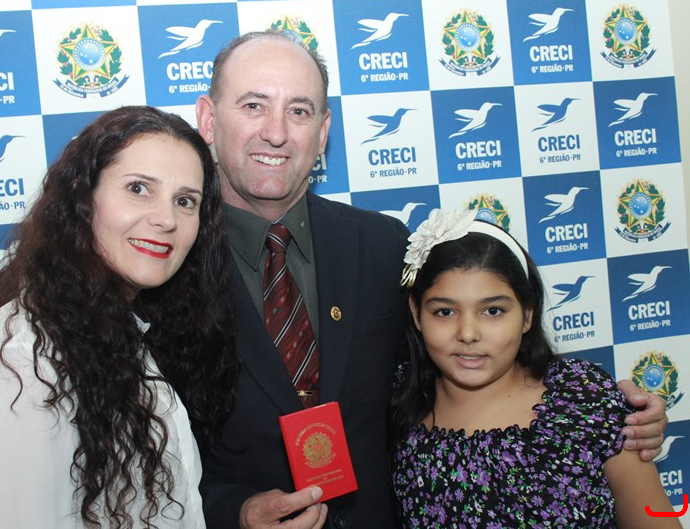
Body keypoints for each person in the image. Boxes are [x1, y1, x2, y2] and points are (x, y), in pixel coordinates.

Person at [194, 30, 668, 529]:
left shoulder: (380, 244)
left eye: (299, 110)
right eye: (253, 105)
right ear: (208, 118)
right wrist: (236, 513)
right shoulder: (168, 268)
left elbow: (452, 364)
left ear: (323, 128)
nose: (276, 132)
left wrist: (612, 414)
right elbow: (151, 459)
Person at [0, 106, 238, 528]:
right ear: (83, 199)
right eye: (138, 188)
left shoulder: (131, 332)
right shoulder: (20, 362)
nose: (166, 219)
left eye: (185, 201)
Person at [391, 208, 678, 527]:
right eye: (445, 312)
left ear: (527, 314)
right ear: (417, 314)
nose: (468, 334)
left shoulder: (584, 400)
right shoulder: (395, 408)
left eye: (493, 311)